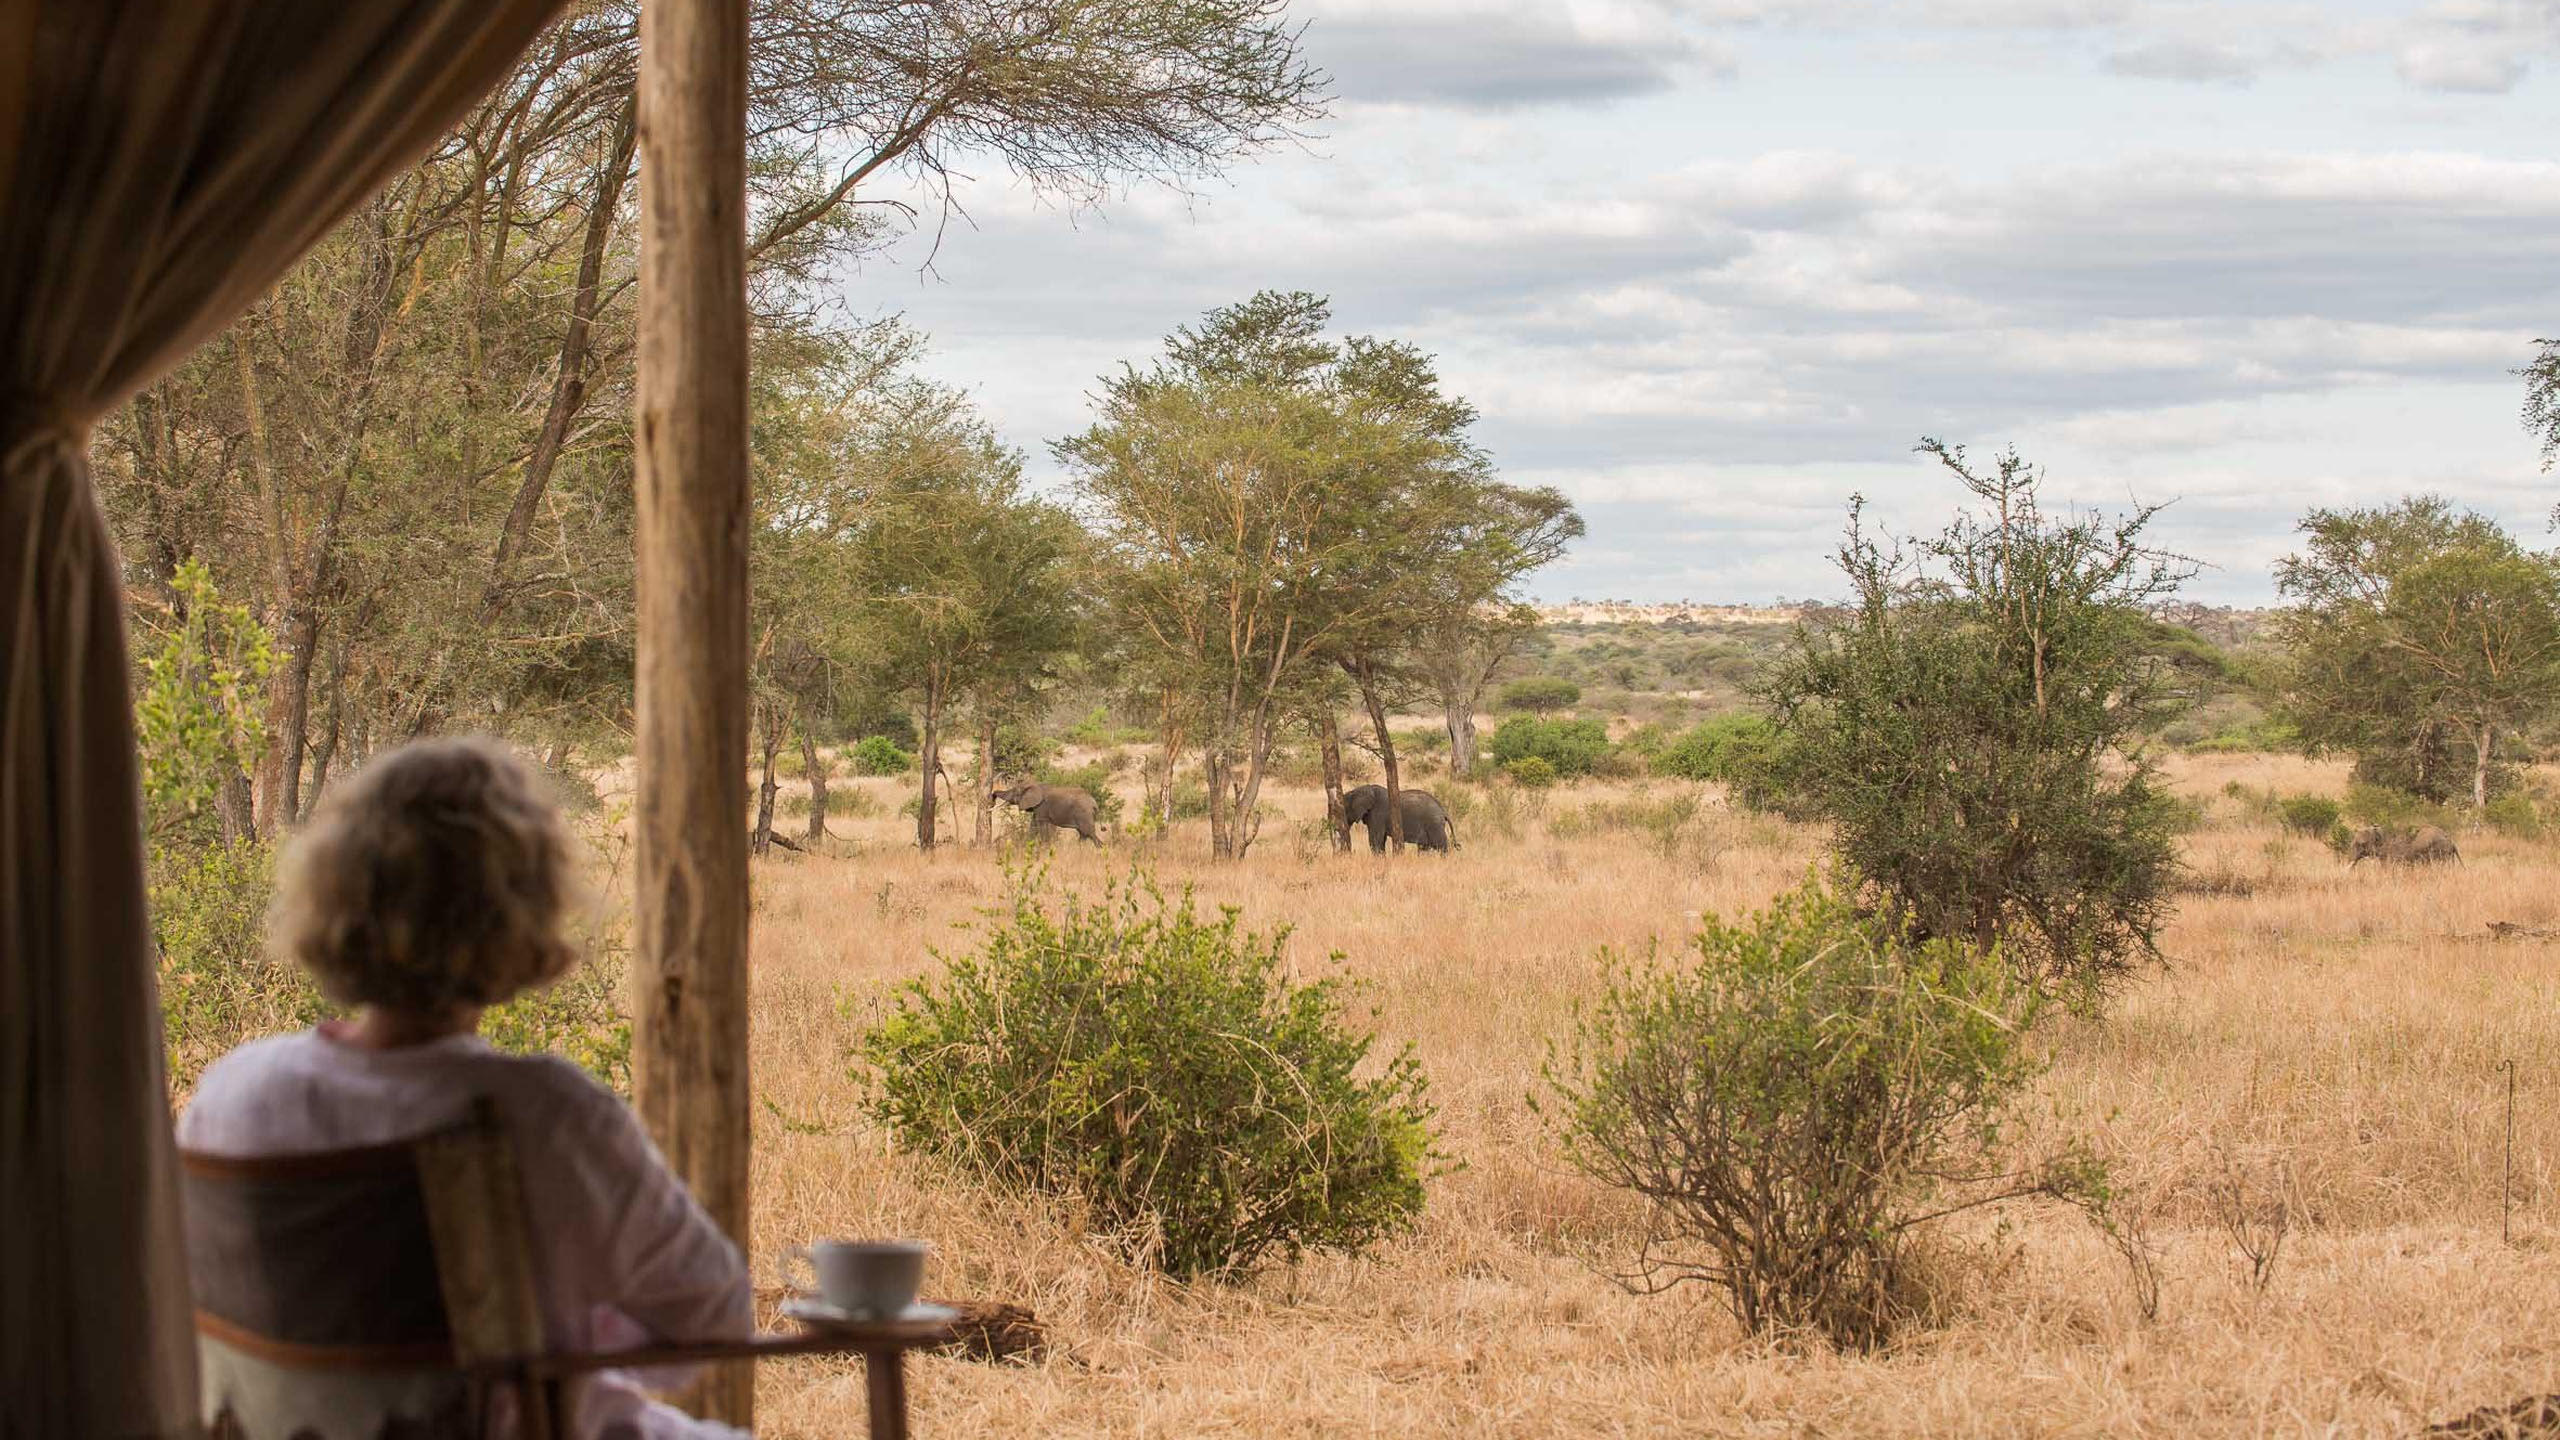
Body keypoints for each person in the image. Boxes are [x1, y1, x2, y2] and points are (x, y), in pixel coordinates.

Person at [178, 737, 752, 1440]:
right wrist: (568, 1331)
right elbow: (716, 1316)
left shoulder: (233, 1094)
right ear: (520, 912)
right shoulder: (545, 1113)